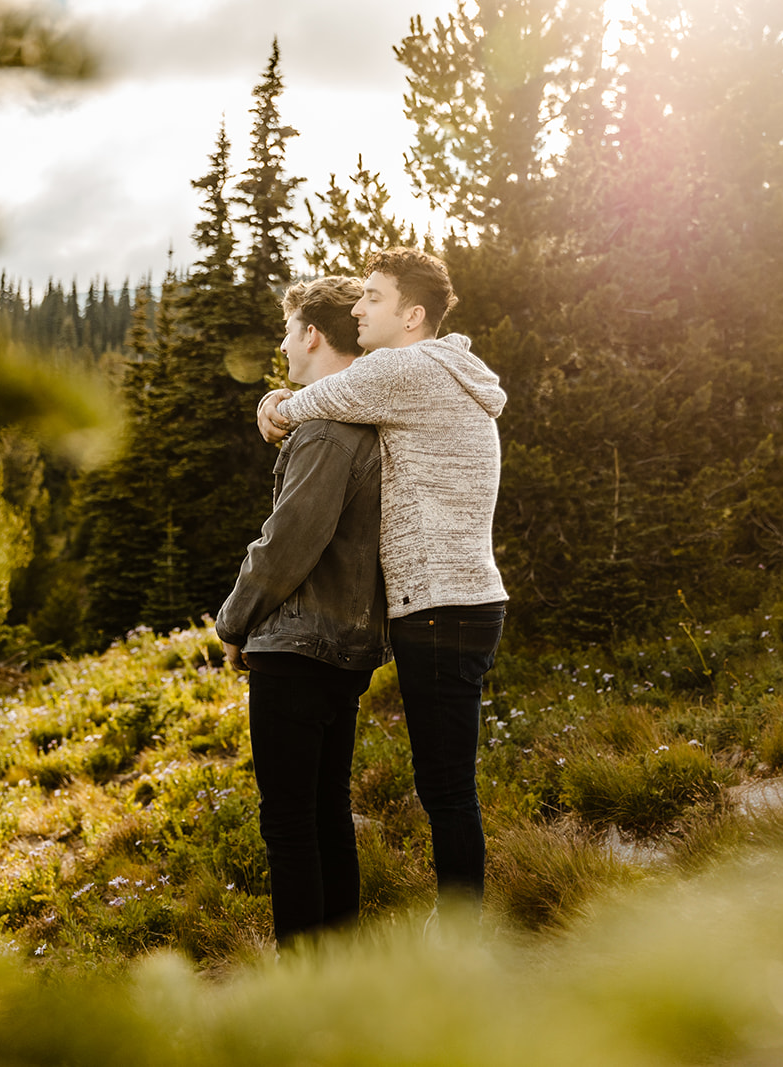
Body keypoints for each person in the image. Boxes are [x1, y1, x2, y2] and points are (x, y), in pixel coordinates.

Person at [257, 247, 507, 922]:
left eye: (373, 297)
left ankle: (459, 934)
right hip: (469, 600)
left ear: (412, 315)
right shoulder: (449, 369)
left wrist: (272, 401)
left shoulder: (400, 369)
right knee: (449, 784)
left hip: (438, 605)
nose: (359, 308)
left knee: (446, 789)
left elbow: (310, 402)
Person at [214, 276, 390, 948]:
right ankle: (338, 976)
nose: (283, 346)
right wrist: (274, 402)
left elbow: (288, 542)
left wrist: (233, 621)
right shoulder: (364, 416)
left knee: (290, 824)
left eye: (287, 333)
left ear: (312, 334)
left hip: (298, 648)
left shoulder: (325, 431)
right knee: (326, 815)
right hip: (346, 647)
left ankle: (305, 988)